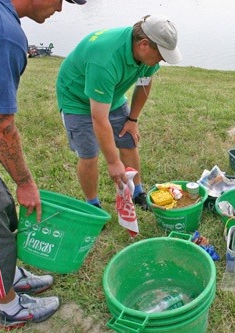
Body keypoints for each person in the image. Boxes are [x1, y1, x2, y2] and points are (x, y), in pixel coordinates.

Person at [0, 0, 86, 329]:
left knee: (1, 209)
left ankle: (12, 274)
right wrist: (25, 182)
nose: (61, 10)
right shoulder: (2, 35)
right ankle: (10, 307)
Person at [56, 15, 182, 211]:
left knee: (128, 140)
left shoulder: (147, 56)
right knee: (89, 155)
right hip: (76, 99)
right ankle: (93, 204)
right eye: (161, 55)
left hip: (111, 96)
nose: (162, 60)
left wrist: (132, 119)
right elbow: (99, 118)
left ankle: (137, 192)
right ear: (144, 44)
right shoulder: (104, 59)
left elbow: (144, 83)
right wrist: (113, 162)